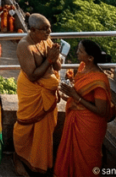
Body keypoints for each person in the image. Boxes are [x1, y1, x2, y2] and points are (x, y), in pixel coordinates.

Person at [54, 40, 115, 177]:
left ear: (91, 58)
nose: (77, 53)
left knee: (87, 160)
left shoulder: (99, 80)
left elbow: (102, 111)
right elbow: (80, 96)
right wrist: (67, 95)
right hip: (76, 118)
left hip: (90, 125)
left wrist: (75, 96)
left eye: (80, 51)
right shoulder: (82, 67)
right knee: (72, 155)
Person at [13, 13, 61, 177]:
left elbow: (58, 67)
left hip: (47, 91)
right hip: (31, 91)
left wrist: (55, 57)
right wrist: (49, 60)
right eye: (44, 30)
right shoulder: (24, 46)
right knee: (25, 125)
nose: (48, 33)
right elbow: (32, 75)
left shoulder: (45, 40)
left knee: (44, 130)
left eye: (49, 29)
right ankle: (20, 157)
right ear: (32, 30)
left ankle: (38, 161)